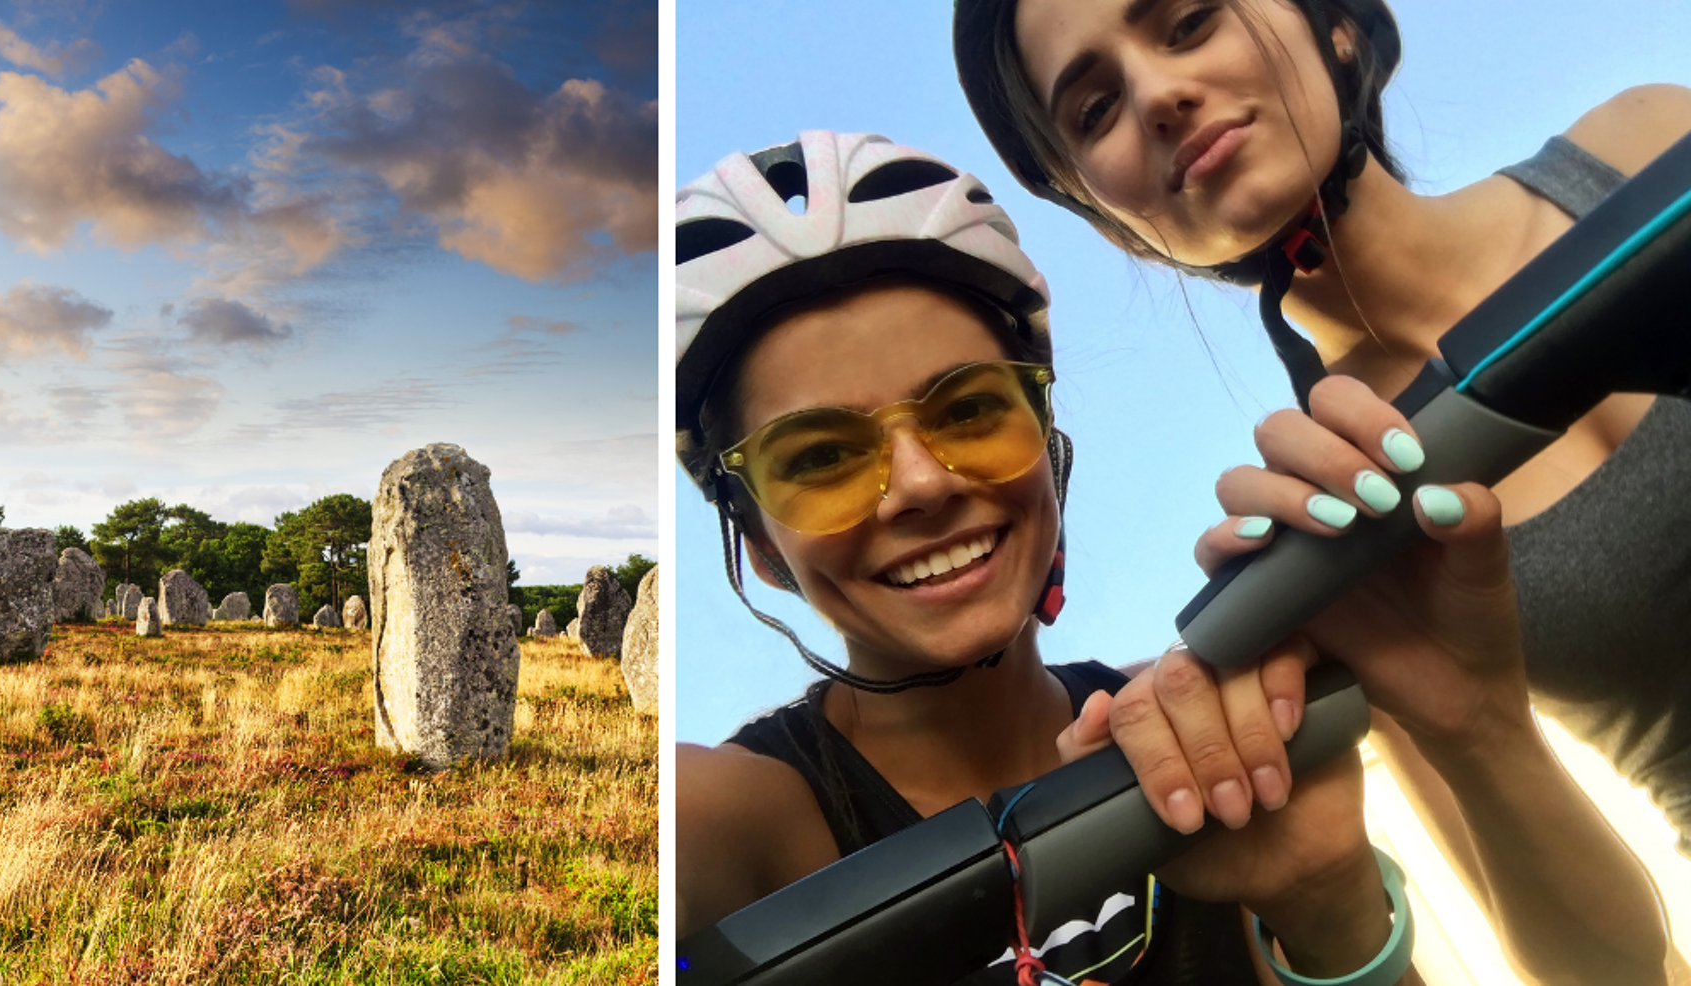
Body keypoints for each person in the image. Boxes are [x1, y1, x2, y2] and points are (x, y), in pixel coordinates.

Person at [674, 130, 1639, 985]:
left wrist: (1332, 904)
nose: (922, 484)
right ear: (759, 540)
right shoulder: (721, 819)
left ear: (1049, 447)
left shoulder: (1213, 731)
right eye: (823, 458)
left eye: (970, 407)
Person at [952, 0, 1687, 979]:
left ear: (1330, 23)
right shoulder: (1337, 544)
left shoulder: (1649, 143)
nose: (1158, 94)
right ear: (1117, 220)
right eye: (1093, 110)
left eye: (1186, 20)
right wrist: (1477, 727)